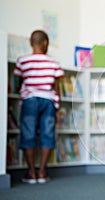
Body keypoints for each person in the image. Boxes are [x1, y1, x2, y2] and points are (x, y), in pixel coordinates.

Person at [14, 30, 64, 184]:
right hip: (48, 101)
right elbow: (56, 87)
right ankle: (42, 172)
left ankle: (31, 173)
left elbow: (18, 84)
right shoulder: (53, 63)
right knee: (47, 134)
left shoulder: (22, 61)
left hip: (29, 101)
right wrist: (57, 106)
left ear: (31, 43)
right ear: (45, 43)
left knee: (28, 134)